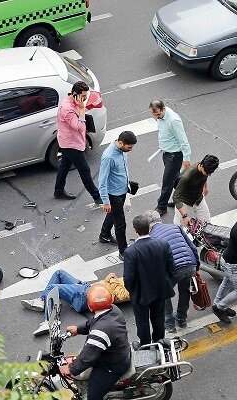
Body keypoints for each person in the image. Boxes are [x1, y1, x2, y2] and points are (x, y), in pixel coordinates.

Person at [58, 285, 132, 400]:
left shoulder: (101, 331)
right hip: (120, 352)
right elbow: (94, 321)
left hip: (111, 366)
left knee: (93, 397)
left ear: (90, 305)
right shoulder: (112, 309)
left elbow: (88, 355)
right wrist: (78, 329)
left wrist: (71, 369)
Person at [21, 269, 130, 336]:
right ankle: (43, 301)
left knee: (52, 288)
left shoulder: (138, 286)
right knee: (59, 273)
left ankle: (48, 321)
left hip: (86, 296)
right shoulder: (136, 275)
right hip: (87, 287)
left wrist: (112, 278)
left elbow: (122, 295)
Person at [123, 214, 175, 346]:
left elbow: (128, 278)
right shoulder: (162, 244)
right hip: (160, 290)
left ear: (135, 230)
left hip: (141, 294)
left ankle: (145, 345)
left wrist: (133, 291)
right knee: (158, 319)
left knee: (143, 322)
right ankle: (159, 342)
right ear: (149, 228)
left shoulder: (130, 252)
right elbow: (172, 269)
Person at [144, 210, 199, 333]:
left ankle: (169, 324)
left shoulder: (151, 237)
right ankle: (182, 318)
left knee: (164, 294)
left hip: (174, 269)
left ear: (148, 226)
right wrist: (197, 267)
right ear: (160, 220)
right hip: (190, 265)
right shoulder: (175, 227)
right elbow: (192, 247)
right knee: (185, 291)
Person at [53, 81, 102, 204]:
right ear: (75, 94)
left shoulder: (72, 100)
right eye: (83, 97)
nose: (85, 100)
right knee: (84, 170)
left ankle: (58, 191)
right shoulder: (68, 109)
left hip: (68, 141)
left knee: (65, 166)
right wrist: (81, 110)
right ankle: (97, 197)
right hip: (71, 144)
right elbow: (79, 127)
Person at [98, 131, 137, 260]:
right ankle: (123, 250)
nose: (131, 150)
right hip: (113, 194)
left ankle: (104, 234)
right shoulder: (108, 156)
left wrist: (128, 185)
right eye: (129, 147)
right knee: (120, 224)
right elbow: (102, 180)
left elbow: (123, 170)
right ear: (120, 143)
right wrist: (106, 201)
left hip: (122, 190)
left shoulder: (122, 151)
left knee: (113, 213)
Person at [149, 100, 192, 216]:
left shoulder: (173, 120)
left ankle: (161, 206)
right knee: (175, 178)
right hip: (166, 153)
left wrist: (186, 158)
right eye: (153, 115)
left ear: (163, 109)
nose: (156, 117)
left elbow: (183, 140)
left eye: (158, 114)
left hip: (174, 155)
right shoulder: (161, 117)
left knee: (167, 181)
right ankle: (182, 197)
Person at [172, 155, 220, 226]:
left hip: (198, 199)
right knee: (181, 227)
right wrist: (185, 216)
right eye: (207, 172)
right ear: (201, 166)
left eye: (210, 173)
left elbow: (204, 176)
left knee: (207, 225)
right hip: (185, 202)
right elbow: (176, 197)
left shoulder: (205, 168)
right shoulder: (186, 177)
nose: (208, 174)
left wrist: (205, 187)